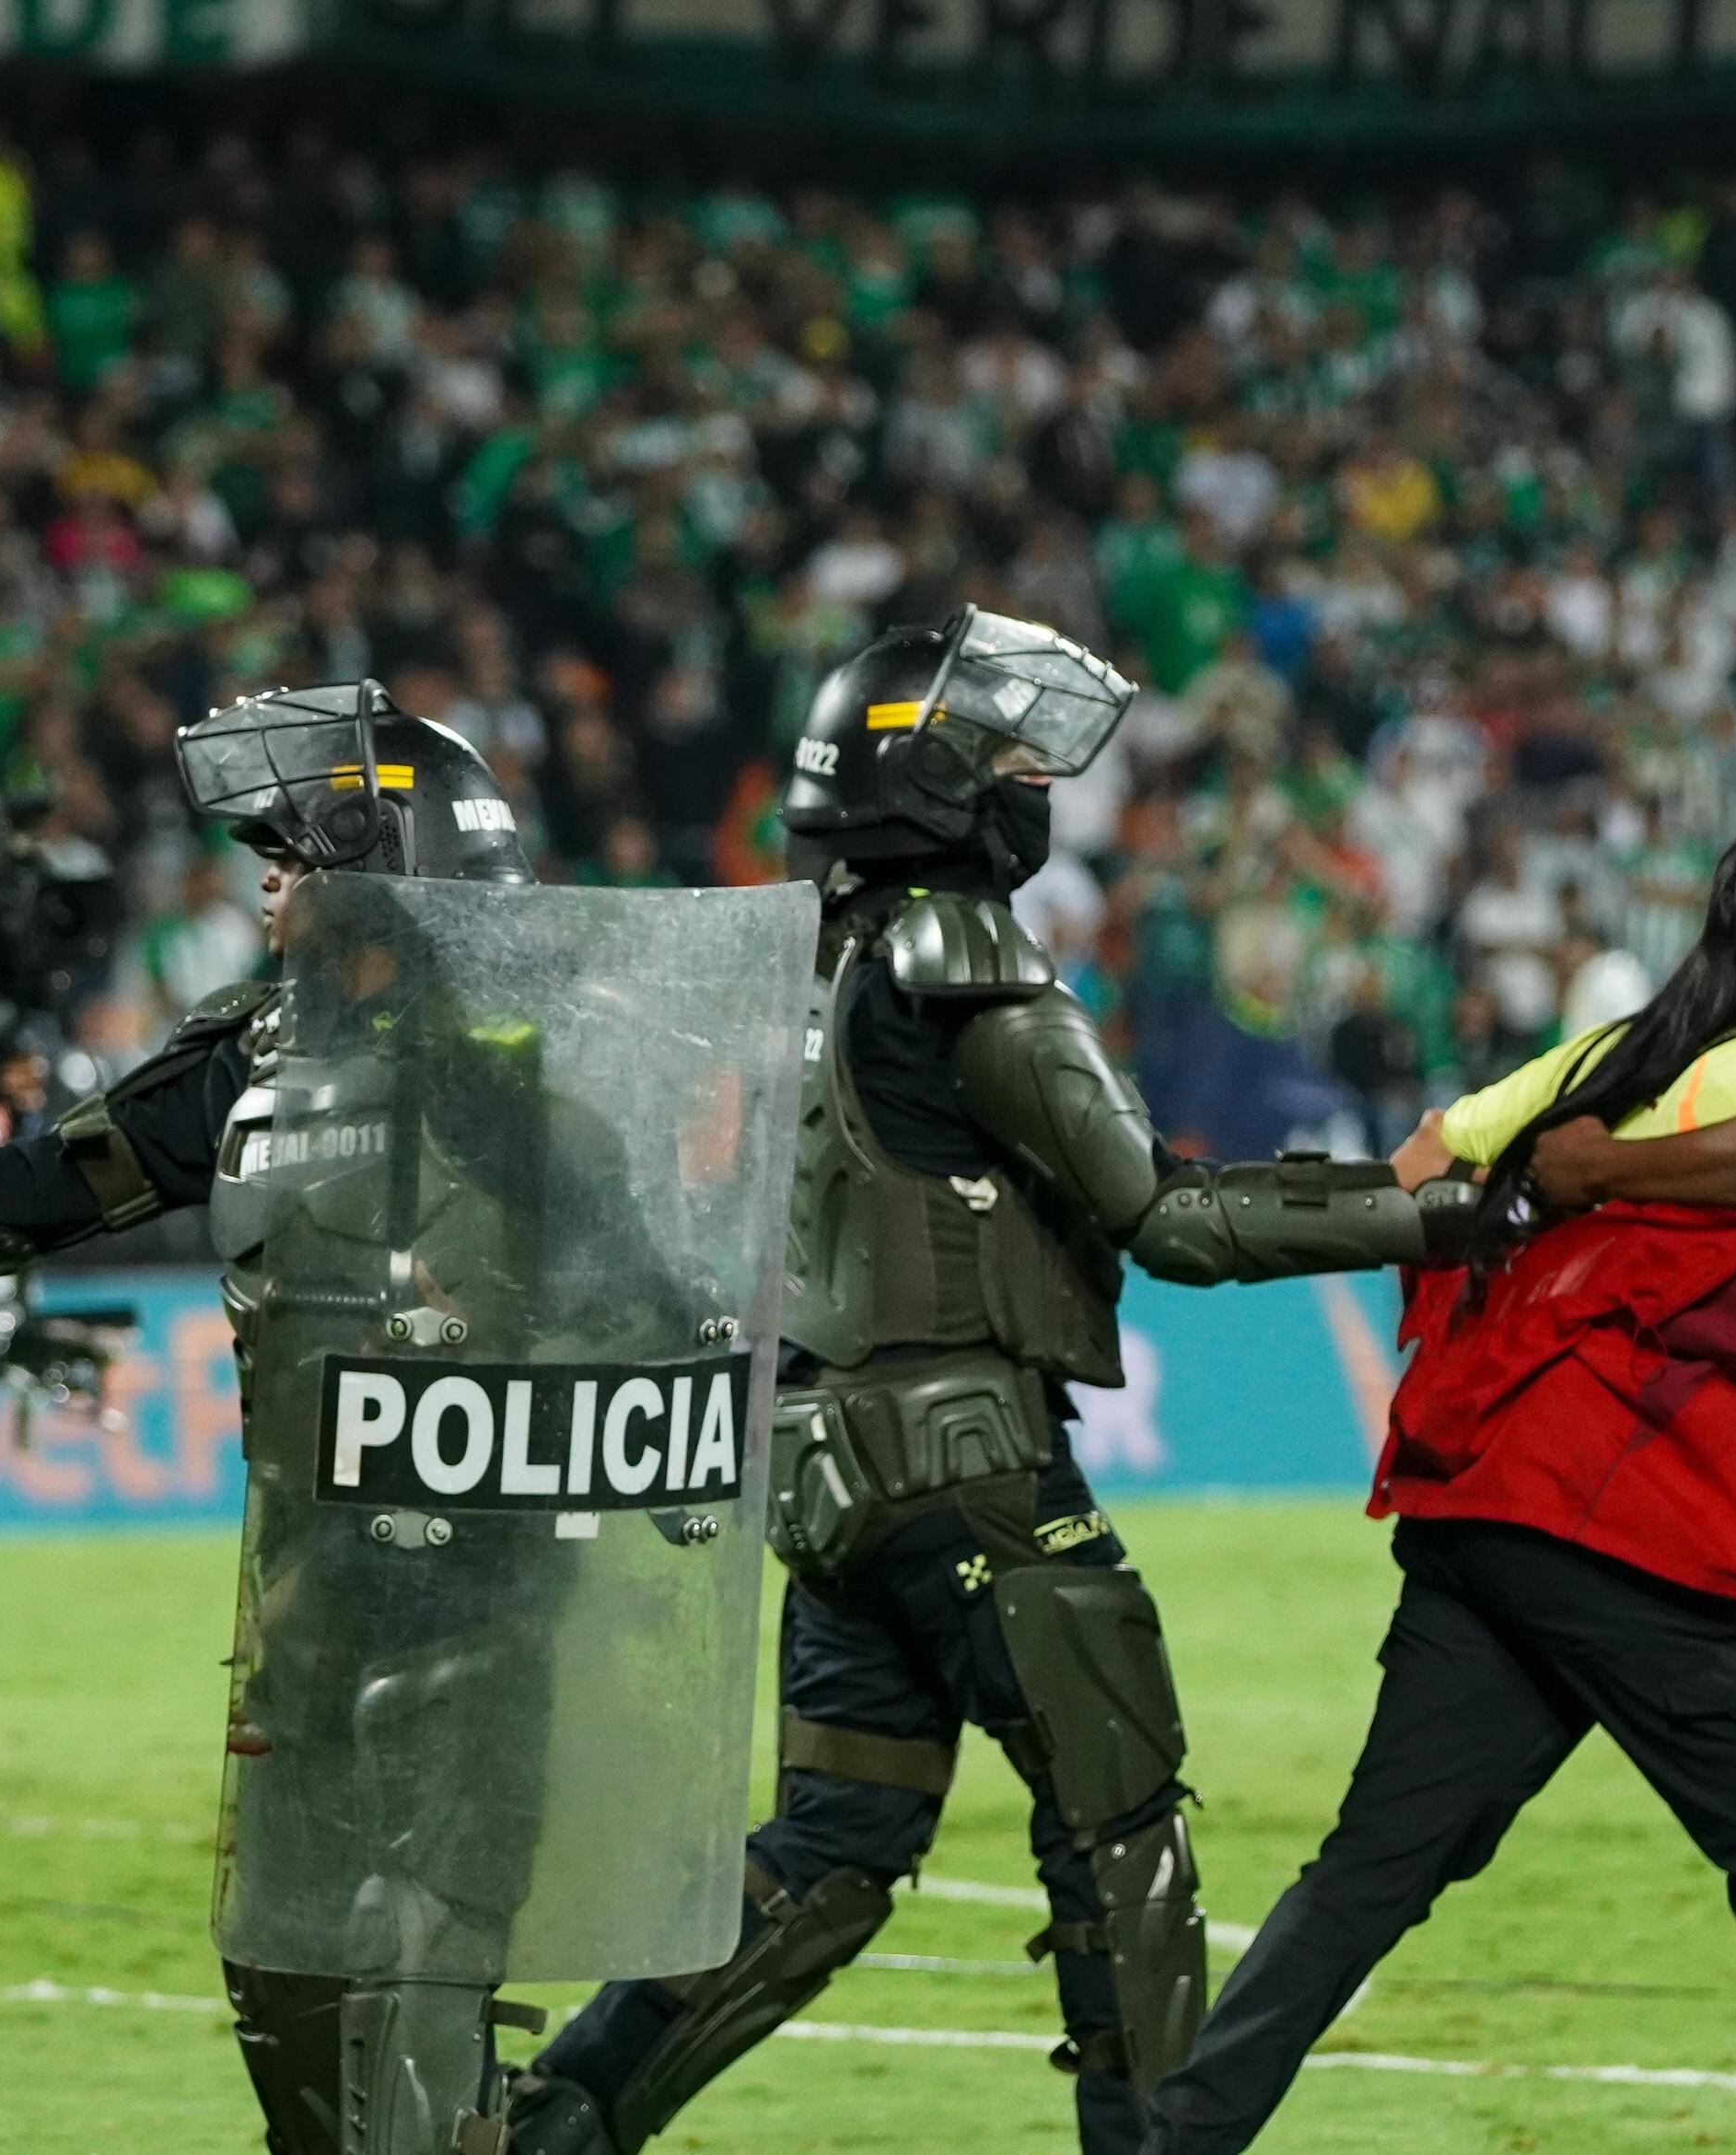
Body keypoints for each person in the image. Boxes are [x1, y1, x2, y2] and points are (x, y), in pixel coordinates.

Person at [508, 609, 1467, 2155]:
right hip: (963, 1452)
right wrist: (1430, 1206)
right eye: (1014, 759)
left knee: (831, 1848)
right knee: (1122, 1830)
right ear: (940, 781)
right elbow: (1160, 1213)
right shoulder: (956, 954)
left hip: (822, 1469)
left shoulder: (798, 951)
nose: (1037, 786)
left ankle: (553, 2119)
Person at [0, 681, 612, 2155]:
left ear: (383, 878)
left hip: (480, 1594)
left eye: (295, 858)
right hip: (306, 1587)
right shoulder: (255, 1052)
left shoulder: (539, 1061)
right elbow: (40, 1188)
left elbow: (657, 1307)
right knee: (283, 1971)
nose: (266, 882)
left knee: (422, 1984)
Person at [1137, 812, 1736, 2155]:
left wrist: (1535, 1234)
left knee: (1375, 1870)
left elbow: (1430, 1156)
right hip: (1619, 1511)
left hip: (1488, 1493)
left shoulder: (1625, 1044)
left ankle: (1171, 2140)